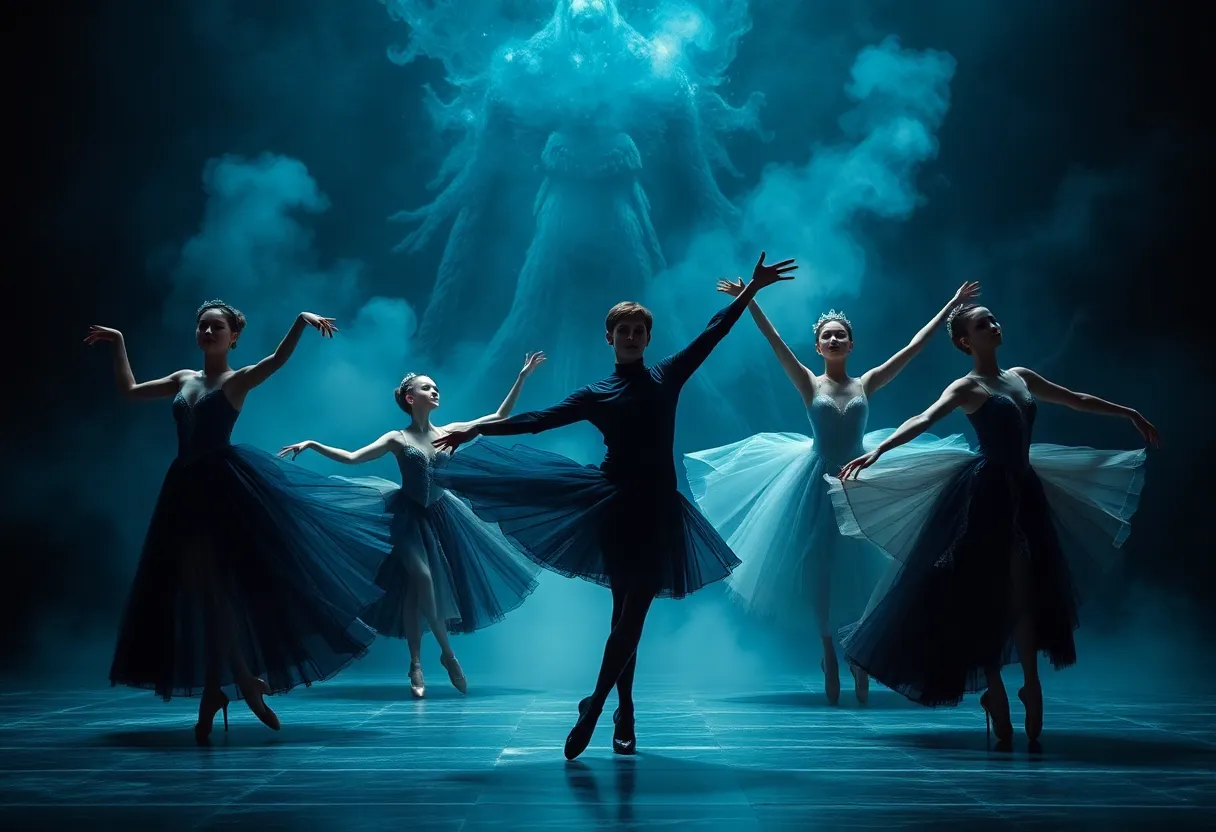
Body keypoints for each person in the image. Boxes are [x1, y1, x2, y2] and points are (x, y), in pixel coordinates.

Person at [432, 252, 797, 759]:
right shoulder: (596, 393)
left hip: (659, 510)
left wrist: (750, 291)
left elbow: (714, 332)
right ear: (610, 338)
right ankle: (622, 709)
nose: (630, 336)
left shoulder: (667, 375)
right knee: (623, 616)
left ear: (648, 339)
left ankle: (599, 705)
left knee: (633, 616)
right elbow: (537, 419)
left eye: (637, 330)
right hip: (613, 509)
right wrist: (474, 427)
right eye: (622, 330)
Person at [829, 302, 1158, 745]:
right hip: (986, 496)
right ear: (966, 341)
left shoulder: (1021, 377)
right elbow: (923, 418)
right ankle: (997, 691)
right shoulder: (967, 387)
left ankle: (1030, 683)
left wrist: (1128, 413)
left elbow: (1075, 399)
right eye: (984, 324)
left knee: (1024, 590)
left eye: (995, 319)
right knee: (985, 595)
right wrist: (878, 451)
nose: (995, 325)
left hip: (1026, 492)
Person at [87, 301, 393, 743]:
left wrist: (298, 321)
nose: (208, 330)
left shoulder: (238, 380)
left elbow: (276, 361)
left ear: (233, 337)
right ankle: (228, 684)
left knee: (215, 593)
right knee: (205, 595)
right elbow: (130, 390)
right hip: (183, 493)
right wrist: (118, 343)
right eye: (203, 325)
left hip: (223, 491)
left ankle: (232, 684)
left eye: (217, 326)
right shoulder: (182, 379)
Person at [685, 281, 979, 704]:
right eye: (827, 336)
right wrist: (747, 297)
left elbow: (913, 349)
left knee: (866, 567)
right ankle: (828, 648)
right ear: (819, 347)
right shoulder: (809, 383)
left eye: (841, 334)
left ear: (851, 343)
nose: (835, 339)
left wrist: (950, 304)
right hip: (814, 482)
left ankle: (858, 649)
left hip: (859, 478)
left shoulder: (867, 382)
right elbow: (775, 341)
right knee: (820, 569)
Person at [278, 353, 548, 698]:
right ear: (410, 398)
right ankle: (449, 656)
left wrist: (522, 376)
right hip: (405, 516)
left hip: (441, 516)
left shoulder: (451, 431)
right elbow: (352, 458)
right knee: (422, 580)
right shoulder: (397, 438)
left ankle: (415, 663)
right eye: (427, 387)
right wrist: (313, 443)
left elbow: (499, 417)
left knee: (414, 593)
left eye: (436, 387)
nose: (435, 391)